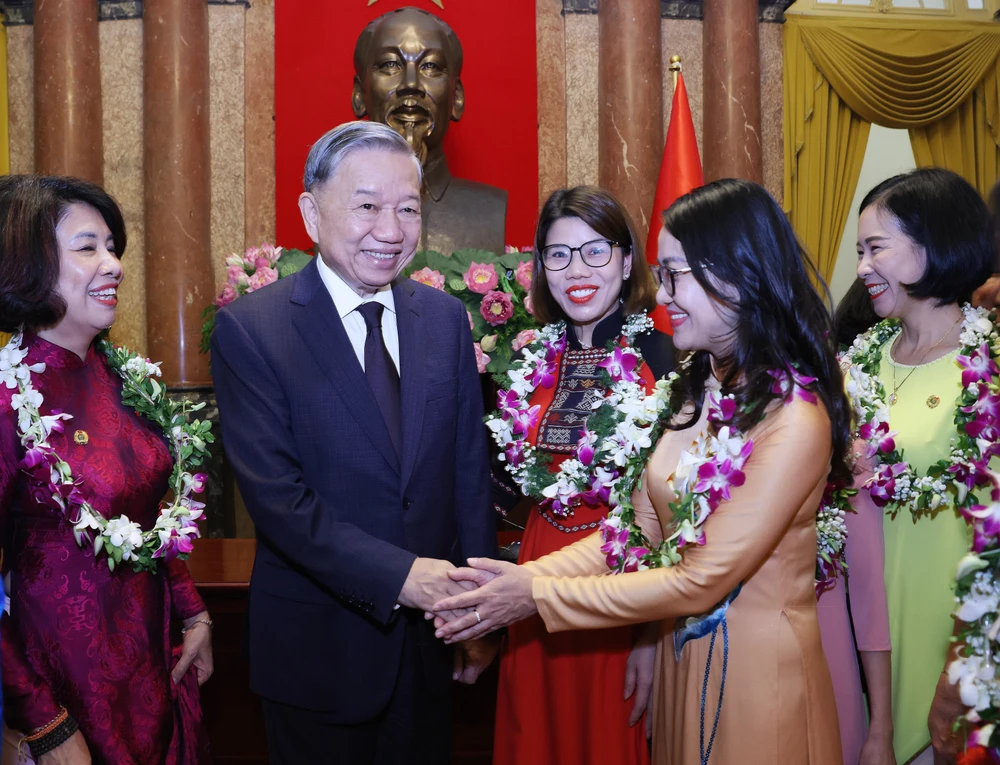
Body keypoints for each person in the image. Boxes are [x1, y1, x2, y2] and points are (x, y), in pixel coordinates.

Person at [433, 178, 849, 765]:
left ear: (734, 277)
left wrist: (535, 593)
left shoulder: (795, 418)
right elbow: (633, 535)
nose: (666, 294)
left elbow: (700, 579)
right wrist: (513, 581)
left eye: (676, 274)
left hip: (755, 672)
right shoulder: (694, 387)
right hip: (683, 655)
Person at [210, 121, 499, 765]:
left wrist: (478, 615)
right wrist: (404, 578)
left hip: (432, 646)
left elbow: (467, 473)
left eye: (407, 209)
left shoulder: (445, 319)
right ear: (312, 212)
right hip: (319, 654)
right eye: (367, 206)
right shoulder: (253, 330)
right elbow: (280, 503)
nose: (391, 231)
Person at [0, 175, 213, 764]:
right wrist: (42, 724)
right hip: (64, 685)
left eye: (113, 247)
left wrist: (192, 610)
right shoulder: (6, 399)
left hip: (155, 666)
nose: (114, 264)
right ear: (29, 263)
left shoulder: (125, 380)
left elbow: (149, 520)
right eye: (89, 247)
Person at [489, 186, 673, 765]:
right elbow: (499, 483)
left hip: (623, 578)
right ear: (541, 266)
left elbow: (678, 518)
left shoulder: (667, 360)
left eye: (596, 252)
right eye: (558, 254)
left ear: (626, 260)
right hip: (537, 570)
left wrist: (651, 635)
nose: (577, 271)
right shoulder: (528, 364)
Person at [822, 168, 996, 765]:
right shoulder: (853, 365)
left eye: (876, 248)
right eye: (859, 251)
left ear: (935, 244)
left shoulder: (989, 366)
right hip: (853, 627)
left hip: (953, 637)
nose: (863, 267)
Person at [352, 6, 507, 255]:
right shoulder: (335, 209)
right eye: (390, 64)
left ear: (456, 98)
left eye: (430, 66)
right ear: (360, 95)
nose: (411, 85)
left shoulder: (490, 209)